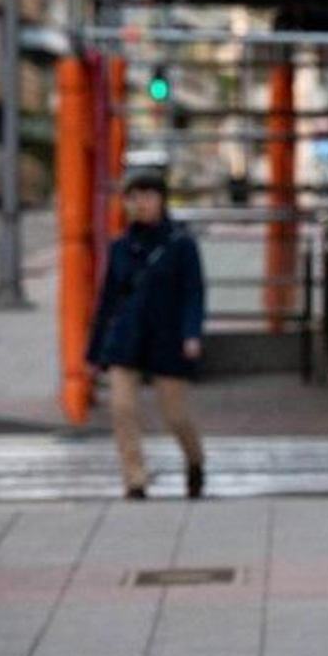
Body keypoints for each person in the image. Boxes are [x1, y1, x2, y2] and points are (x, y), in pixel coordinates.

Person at [88, 169, 207, 500]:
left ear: (162, 200)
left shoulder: (181, 245)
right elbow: (107, 300)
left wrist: (192, 333)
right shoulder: (120, 247)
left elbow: (194, 292)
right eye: (133, 197)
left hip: (167, 338)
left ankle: (195, 460)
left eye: (148, 196)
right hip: (126, 339)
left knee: (176, 415)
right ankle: (135, 479)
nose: (140, 204)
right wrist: (94, 350)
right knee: (122, 408)